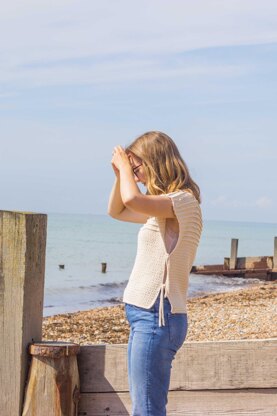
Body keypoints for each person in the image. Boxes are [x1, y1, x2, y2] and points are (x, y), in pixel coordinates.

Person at [108, 131, 203, 416]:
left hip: (156, 315)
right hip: (147, 316)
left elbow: (132, 200)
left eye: (138, 168)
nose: (135, 176)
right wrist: (119, 174)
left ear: (154, 160)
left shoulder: (182, 202)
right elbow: (117, 210)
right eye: (132, 171)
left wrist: (125, 168)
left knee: (147, 410)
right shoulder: (163, 207)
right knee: (145, 407)